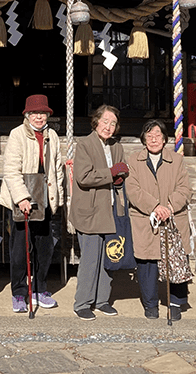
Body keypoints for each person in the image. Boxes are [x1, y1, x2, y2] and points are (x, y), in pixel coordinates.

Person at [0, 94, 66, 313]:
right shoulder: (17, 135)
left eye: (43, 113)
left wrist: (58, 197)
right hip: (24, 197)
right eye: (35, 113)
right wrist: (22, 198)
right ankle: (19, 292)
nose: (39, 117)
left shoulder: (52, 135)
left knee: (44, 248)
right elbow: (10, 169)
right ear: (27, 115)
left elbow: (57, 169)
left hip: (45, 196)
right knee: (20, 249)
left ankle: (39, 289)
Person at [124, 119, 193, 320]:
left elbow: (184, 188)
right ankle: (150, 304)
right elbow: (133, 189)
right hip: (146, 218)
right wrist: (154, 207)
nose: (154, 139)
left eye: (158, 135)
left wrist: (169, 207)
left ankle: (176, 302)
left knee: (176, 259)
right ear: (143, 139)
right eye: (149, 135)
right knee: (147, 263)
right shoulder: (134, 160)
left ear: (164, 139)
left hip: (172, 216)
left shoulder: (177, 160)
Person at [69, 104, 128, 321]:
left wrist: (121, 177)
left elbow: (121, 171)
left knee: (108, 257)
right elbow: (84, 177)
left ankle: (102, 300)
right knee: (90, 259)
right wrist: (112, 173)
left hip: (111, 208)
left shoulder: (116, 146)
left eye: (113, 123)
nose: (109, 127)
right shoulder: (84, 144)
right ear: (96, 122)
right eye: (105, 122)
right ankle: (82, 302)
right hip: (90, 210)